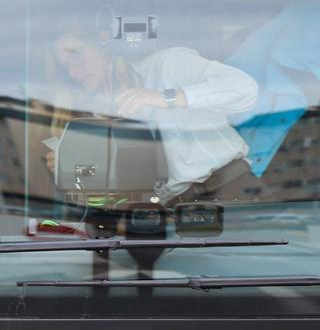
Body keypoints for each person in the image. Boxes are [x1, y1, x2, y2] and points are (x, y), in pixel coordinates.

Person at [48, 25, 263, 204]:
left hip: (231, 192)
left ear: (103, 44)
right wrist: (67, 163)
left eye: (76, 56)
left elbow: (244, 89)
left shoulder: (167, 65)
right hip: (174, 212)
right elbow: (113, 180)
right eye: (66, 67)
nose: (73, 72)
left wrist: (166, 97)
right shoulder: (99, 114)